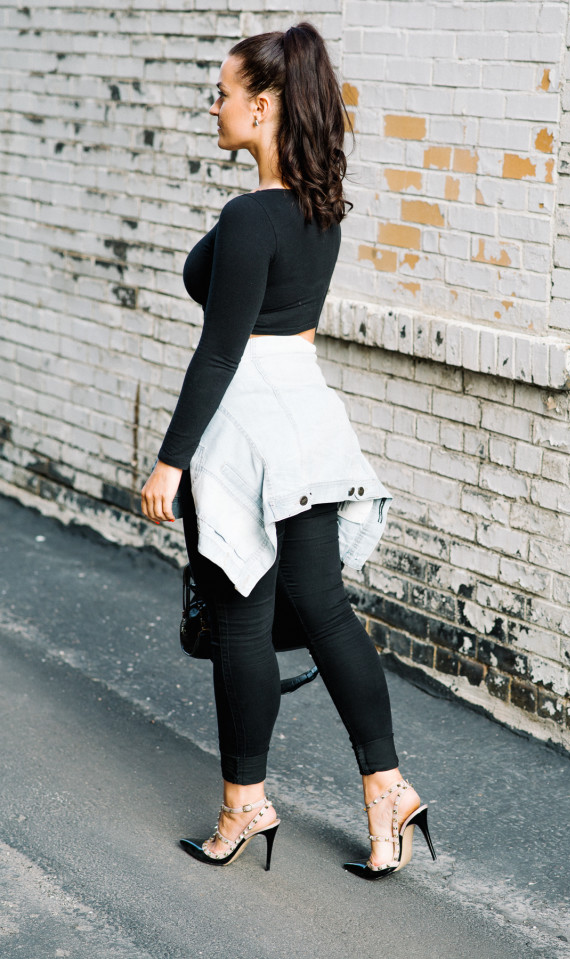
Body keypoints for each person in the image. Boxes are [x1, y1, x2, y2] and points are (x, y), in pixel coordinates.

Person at [140, 22, 436, 880]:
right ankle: (387, 790)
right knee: (323, 605)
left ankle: (245, 804)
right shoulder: (317, 209)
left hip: (246, 424)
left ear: (262, 104)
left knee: (241, 614)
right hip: (308, 415)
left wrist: (171, 460)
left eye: (225, 92)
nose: (214, 104)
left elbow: (219, 348)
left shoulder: (251, 216)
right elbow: (235, 290)